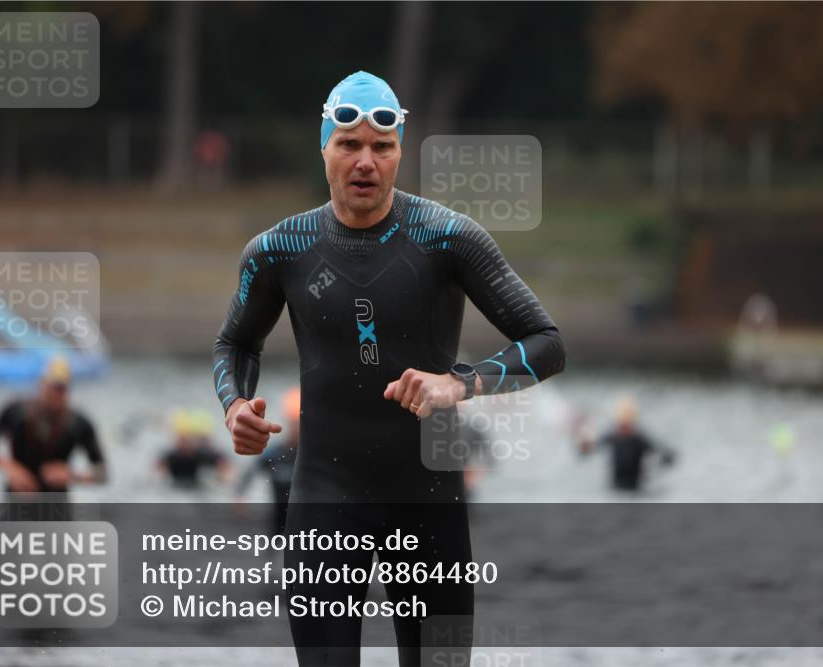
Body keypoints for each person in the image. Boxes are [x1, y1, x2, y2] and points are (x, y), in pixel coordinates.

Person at [213, 71, 565, 666]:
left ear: (401, 151)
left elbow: (547, 342)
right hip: (325, 495)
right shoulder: (279, 249)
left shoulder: (448, 237)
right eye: (348, 143)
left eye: (382, 146)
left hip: (428, 500)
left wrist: (459, 382)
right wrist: (235, 406)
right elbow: (235, 345)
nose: (365, 161)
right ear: (323, 147)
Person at [0, 355, 106, 495]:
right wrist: (10, 468)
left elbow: (102, 474)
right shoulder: (15, 411)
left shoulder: (79, 423)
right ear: (42, 383)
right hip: (16, 500)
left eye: (62, 388)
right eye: (53, 387)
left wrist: (70, 475)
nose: (56, 394)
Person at [234, 389, 301, 535]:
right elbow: (250, 472)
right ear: (288, 423)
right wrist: (240, 496)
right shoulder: (275, 453)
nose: (296, 429)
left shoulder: (309, 455)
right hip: (275, 516)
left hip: (303, 518)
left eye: (300, 424)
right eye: (294, 424)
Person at [579, 396, 673, 491]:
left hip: (636, 487)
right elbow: (587, 450)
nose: (624, 429)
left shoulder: (640, 438)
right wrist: (583, 438)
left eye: (627, 424)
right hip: (615, 487)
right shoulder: (611, 436)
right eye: (621, 424)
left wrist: (660, 464)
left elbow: (668, 454)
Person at [157, 409, 232, 487]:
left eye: (186, 440)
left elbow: (225, 466)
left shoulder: (204, 454)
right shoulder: (171, 455)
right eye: (181, 439)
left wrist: (223, 477)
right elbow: (158, 471)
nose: (184, 444)